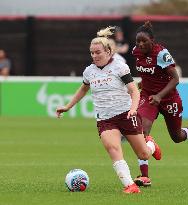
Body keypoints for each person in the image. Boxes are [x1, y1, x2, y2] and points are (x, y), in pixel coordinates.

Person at [56, 29, 162, 194]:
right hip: (105, 119)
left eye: (98, 52)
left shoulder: (120, 67)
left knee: (144, 155)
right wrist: (68, 106)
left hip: (126, 114)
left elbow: (134, 91)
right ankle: (130, 185)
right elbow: (83, 89)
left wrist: (133, 109)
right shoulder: (89, 71)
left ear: (108, 51)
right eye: (92, 53)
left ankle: (151, 145)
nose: (95, 55)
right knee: (113, 148)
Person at [132, 21, 188, 187]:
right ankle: (144, 176)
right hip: (149, 96)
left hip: (168, 98)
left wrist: (160, 95)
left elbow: (176, 79)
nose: (140, 44)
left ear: (152, 40)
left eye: (144, 41)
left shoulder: (161, 54)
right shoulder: (136, 52)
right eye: (138, 41)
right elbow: (149, 72)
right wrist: (144, 84)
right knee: (141, 130)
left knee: (177, 137)